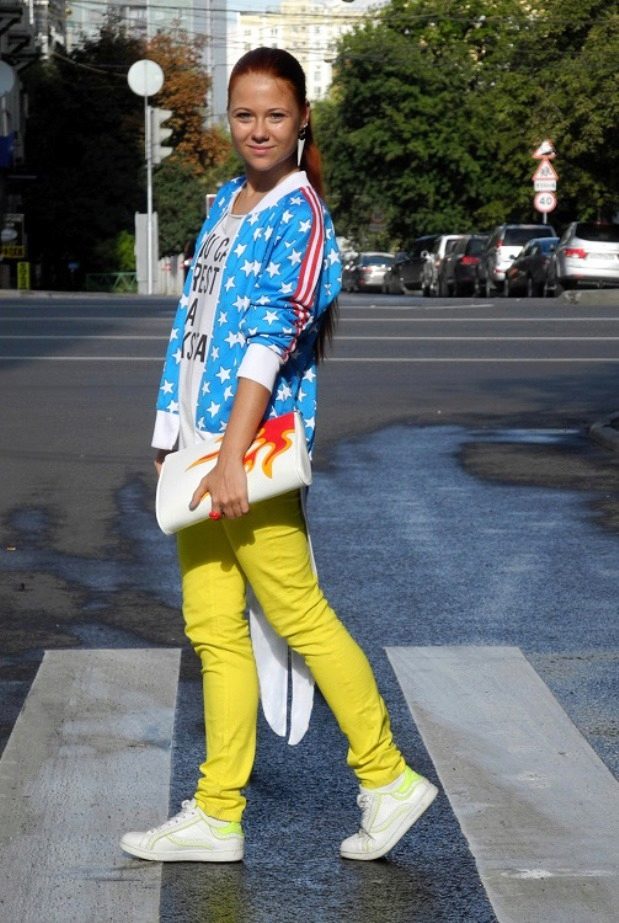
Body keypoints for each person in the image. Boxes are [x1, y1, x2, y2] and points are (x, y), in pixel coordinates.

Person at [120, 46, 437, 865]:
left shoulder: (300, 215)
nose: (257, 129)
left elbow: (268, 341)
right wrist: (168, 431)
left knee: (298, 613)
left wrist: (230, 457)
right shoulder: (229, 201)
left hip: (249, 454)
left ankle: (387, 776)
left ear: (301, 121)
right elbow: (190, 325)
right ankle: (218, 814)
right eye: (244, 114)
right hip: (201, 450)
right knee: (212, 626)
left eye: (274, 114)